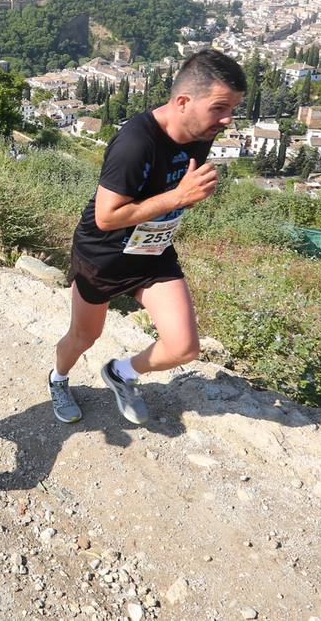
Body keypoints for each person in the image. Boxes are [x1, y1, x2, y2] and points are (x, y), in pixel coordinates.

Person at [47, 50, 245, 425]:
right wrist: (179, 197)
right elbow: (107, 218)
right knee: (83, 338)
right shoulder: (135, 142)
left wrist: (185, 195)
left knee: (184, 347)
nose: (227, 119)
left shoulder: (199, 134)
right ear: (183, 102)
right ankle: (59, 379)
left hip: (153, 250)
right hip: (104, 255)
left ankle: (121, 372)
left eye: (232, 108)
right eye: (220, 107)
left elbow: (173, 189)